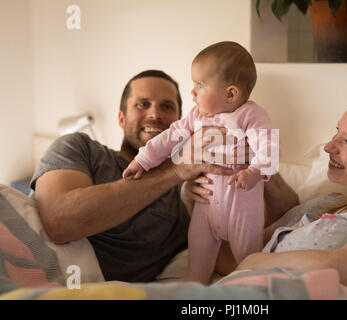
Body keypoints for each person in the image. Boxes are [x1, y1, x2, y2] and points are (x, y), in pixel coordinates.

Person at [185, 91, 347, 290]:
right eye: (337, 132)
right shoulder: (323, 206)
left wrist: (254, 262)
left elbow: (334, 268)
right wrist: (198, 203)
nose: (328, 147)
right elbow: (228, 262)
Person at [30, 70, 235, 282]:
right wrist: (174, 170)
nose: (154, 115)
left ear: (180, 125)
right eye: (142, 104)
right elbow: (59, 222)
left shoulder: (186, 189)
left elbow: (228, 262)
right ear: (121, 118)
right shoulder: (81, 149)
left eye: (166, 106)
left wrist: (260, 169)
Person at [122, 41, 279, 284]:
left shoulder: (251, 115)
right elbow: (169, 137)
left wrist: (256, 171)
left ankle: (250, 288)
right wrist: (143, 159)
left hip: (242, 207)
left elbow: (268, 145)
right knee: (198, 256)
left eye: (200, 85)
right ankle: (195, 287)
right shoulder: (195, 116)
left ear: (230, 93)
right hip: (205, 206)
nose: (192, 92)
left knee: (249, 262)